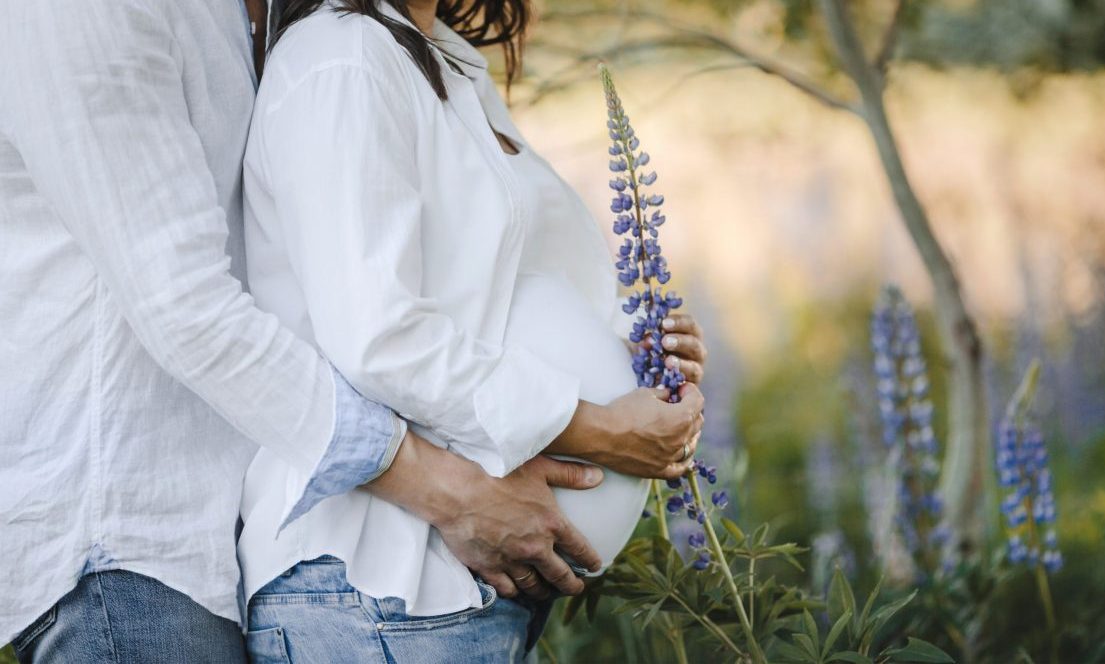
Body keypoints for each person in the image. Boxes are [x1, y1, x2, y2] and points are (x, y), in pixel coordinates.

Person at [0, 1, 674, 661]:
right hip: (129, 538)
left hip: (259, 529)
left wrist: (624, 352)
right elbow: (188, 309)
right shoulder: (87, 10)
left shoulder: (319, 27)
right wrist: (487, 467)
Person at [236, 1, 710, 661]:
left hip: (454, 594)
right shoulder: (340, 59)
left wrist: (632, 360)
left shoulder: (441, 57)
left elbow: (483, 295)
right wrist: (602, 430)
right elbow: (380, 336)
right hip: (381, 582)